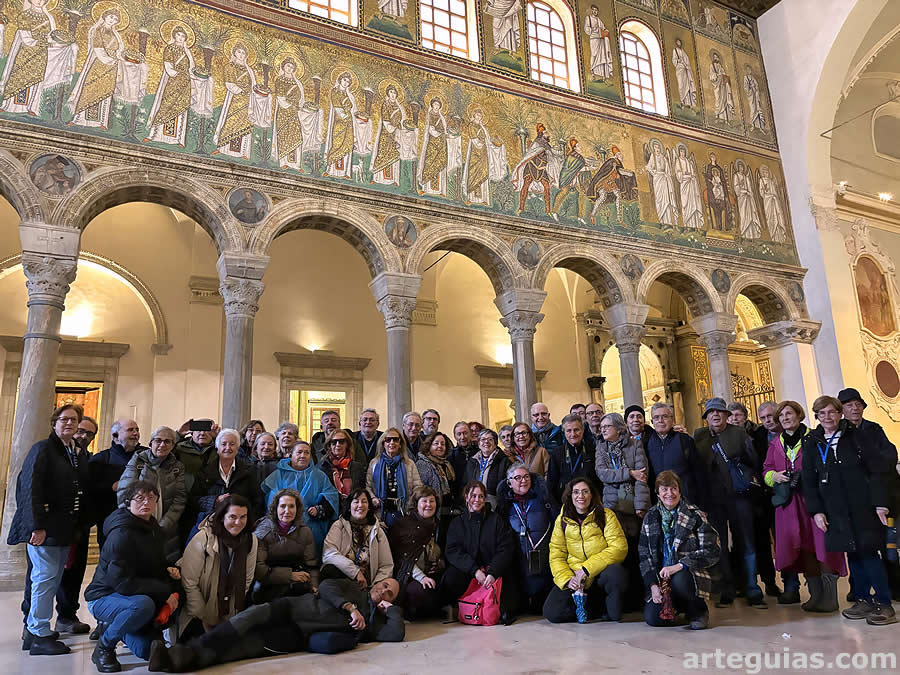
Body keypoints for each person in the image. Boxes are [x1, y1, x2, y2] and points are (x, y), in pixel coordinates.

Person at [148, 577, 403, 671]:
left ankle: (179, 660)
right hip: (290, 607)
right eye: (383, 585)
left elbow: (395, 634)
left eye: (390, 593)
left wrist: (393, 611)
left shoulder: (372, 624)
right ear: (375, 583)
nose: (383, 591)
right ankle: (180, 655)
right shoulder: (353, 589)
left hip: (294, 636)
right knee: (245, 620)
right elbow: (326, 586)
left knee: (239, 649)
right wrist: (350, 607)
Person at [802, 396, 896, 625]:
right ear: (816, 417)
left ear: (840, 413)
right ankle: (863, 599)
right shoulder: (812, 442)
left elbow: (876, 471)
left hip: (862, 505)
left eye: (832, 412)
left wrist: (880, 503)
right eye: (822, 413)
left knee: (869, 553)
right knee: (852, 553)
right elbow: (809, 480)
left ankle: (884, 603)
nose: (828, 417)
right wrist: (816, 511)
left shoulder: (856, 436)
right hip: (835, 509)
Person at [10, 404, 91, 655]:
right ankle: (38, 633)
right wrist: (37, 526)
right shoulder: (43, 449)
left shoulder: (72, 451)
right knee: (44, 580)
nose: (69, 423)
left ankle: (37, 629)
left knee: (52, 580)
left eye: (74, 420)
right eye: (64, 419)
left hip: (63, 529)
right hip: (45, 529)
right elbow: (30, 488)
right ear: (54, 423)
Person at [86, 481, 181, 672]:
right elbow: (122, 583)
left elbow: (150, 563)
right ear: (128, 502)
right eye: (140, 498)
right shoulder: (121, 534)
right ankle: (104, 647)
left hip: (132, 595)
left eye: (151, 498)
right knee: (143, 605)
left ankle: (116, 627)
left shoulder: (152, 527)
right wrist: (163, 593)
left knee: (148, 651)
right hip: (104, 596)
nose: (146, 502)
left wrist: (167, 568)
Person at [763, 401, 846, 610]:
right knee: (804, 548)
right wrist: (776, 476)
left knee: (823, 546)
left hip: (815, 500)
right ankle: (815, 596)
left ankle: (829, 598)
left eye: (788, 414)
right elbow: (766, 471)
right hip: (789, 504)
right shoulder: (775, 444)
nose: (785, 418)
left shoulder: (814, 437)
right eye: (781, 416)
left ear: (799, 415)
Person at [693, 397, 766, 608]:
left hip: (739, 497)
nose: (715, 415)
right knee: (719, 545)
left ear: (726, 415)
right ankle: (726, 589)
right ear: (706, 417)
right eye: (710, 413)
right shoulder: (699, 435)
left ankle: (752, 589)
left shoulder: (739, 433)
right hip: (714, 500)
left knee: (746, 543)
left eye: (719, 412)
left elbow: (753, 461)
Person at [838, 387, 900, 600]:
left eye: (858, 404)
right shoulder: (840, 434)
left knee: (888, 545)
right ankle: (859, 589)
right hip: (857, 499)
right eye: (849, 405)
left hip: (883, 495)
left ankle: (894, 587)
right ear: (841, 410)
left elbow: (890, 456)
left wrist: (871, 464)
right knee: (858, 546)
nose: (855, 408)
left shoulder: (874, 429)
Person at [639, 471, 720, 630]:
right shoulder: (651, 517)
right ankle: (677, 607)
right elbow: (644, 556)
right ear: (657, 493)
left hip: (689, 575)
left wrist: (680, 565)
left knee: (681, 580)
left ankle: (698, 611)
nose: (669, 493)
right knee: (653, 619)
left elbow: (712, 549)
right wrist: (653, 585)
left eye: (674, 488)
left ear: (680, 491)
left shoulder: (694, 515)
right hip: (662, 580)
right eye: (664, 489)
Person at [543, 478, 628, 624]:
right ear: (570, 496)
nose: (580, 496)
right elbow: (556, 554)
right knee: (552, 613)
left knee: (615, 573)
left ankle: (603, 608)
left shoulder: (607, 515)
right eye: (576, 492)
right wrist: (567, 579)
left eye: (585, 492)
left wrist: (587, 569)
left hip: (599, 575)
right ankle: (591, 610)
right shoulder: (562, 520)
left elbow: (619, 548)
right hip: (575, 578)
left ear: (592, 495)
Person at [177, 495, 258, 640]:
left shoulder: (251, 539)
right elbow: (189, 582)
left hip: (229, 611)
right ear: (221, 517)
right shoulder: (203, 538)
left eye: (243, 517)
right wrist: (204, 618)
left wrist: (229, 616)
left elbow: (246, 579)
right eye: (232, 517)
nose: (238, 522)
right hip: (196, 612)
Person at [594, 412, 651, 610]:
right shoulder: (601, 447)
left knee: (637, 551)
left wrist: (640, 506)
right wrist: (629, 473)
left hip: (634, 507)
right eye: (601, 427)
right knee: (619, 552)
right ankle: (623, 598)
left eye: (606, 426)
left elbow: (642, 478)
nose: (602, 430)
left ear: (619, 428)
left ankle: (640, 597)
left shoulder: (634, 445)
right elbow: (602, 473)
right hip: (613, 507)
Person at [441, 481, 517, 624]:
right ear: (466, 497)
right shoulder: (457, 523)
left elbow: (505, 548)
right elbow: (453, 551)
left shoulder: (496, 520)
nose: (477, 500)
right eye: (473, 496)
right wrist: (474, 570)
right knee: (451, 578)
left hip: (493, 571)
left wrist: (493, 572)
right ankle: (458, 607)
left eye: (481, 496)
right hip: (469, 572)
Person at [54, 415, 99, 636]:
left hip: (79, 527)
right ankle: (33, 626)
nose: (83, 436)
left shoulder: (86, 459)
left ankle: (67, 616)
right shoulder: (52, 453)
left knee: (74, 575)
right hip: (55, 527)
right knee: (46, 577)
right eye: (80, 430)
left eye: (89, 434)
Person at [116, 426, 187, 562]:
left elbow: (179, 500)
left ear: (173, 445)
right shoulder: (138, 461)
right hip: (137, 526)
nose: (162, 445)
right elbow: (124, 494)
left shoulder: (177, 467)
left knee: (162, 566)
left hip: (166, 529)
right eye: (158, 440)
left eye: (167, 441)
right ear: (150, 443)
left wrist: (164, 525)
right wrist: (137, 524)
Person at [496, 463, 557, 614]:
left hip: (544, 555)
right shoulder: (504, 506)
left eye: (526, 476)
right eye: (517, 477)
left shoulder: (544, 498)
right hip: (518, 558)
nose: (523, 480)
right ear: (509, 483)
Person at [262, 440, 340, 557]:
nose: (303, 456)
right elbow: (272, 503)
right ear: (291, 455)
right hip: (284, 527)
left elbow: (331, 497)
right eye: (299, 452)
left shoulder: (319, 476)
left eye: (306, 453)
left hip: (312, 526)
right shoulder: (279, 475)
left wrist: (319, 510)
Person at [189, 429, 263, 539]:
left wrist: (246, 521)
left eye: (232, 444)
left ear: (237, 449)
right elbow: (193, 500)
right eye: (224, 444)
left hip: (240, 527)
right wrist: (215, 501)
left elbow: (258, 501)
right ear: (217, 448)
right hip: (211, 527)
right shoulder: (205, 471)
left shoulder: (249, 471)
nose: (228, 448)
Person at [252, 488, 318, 603]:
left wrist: (314, 586)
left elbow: (311, 564)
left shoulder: (305, 532)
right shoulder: (262, 531)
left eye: (291, 506)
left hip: (296, 581)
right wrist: (290, 575)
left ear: (297, 509)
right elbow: (259, 569)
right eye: (282, 506)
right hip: (268, 582)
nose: (287, 511)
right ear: (275, 508)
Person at [389, 486, 444, 619]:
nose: (428, 505)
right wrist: (422, 577)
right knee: (421, 594)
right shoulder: (403, 525)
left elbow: (446, 551)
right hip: (410, 576)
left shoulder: (439, 525)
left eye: (432, 501)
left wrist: (441, 564)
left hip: (434, 573)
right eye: (424, 501)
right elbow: (402, 558)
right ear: (416, 504)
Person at [321, 489, 394, 589]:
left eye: (364, 502)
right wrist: (356, 572)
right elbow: (328, 554)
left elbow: (386, 565)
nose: (360, 505)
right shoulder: (339, 525)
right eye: (356, 501)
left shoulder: (377, 531)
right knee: (329, 570)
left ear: (369, 507)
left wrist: (374, 587)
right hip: (342, 581)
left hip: (367, 585)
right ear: (349, 506)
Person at [90, 418, 144, 548]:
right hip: (110, 519)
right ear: (115, 436)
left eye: (137, 430)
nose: (135, 433)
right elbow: (90, 488)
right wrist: (111, 487)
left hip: (141, 518)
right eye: (130, 430)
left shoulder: (146, 455)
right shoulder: (100, 460)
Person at [750, 400, 784, 598]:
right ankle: (770, 582)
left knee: (784, 540)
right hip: (763, 497)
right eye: (763, 418)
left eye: (770, 416)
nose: (767, 421)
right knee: (763, 542)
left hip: (787, 496)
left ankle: (791, 584)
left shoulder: (793, 432)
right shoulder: (757, 437)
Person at [645, 402, 705, 507]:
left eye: (665, 416)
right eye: (656, 417)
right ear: (652, 422)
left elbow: (698, 471)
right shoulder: (646, 442)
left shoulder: (684, 439)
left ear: (672, 419)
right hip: (659, 502)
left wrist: (702, 504)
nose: (660, 421)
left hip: (685, 500)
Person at [366, 427, 423, 529]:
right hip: (380, 513)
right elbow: (368, 487)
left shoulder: (409, 464)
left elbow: (418, 487)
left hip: (404, 512)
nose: (392, 442)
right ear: (383, 443)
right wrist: (373, 498)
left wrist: (410, 503)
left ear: (400, 443)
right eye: (388, 440)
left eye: (395, 439)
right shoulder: (374, 463)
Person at [415, 431, 459, 546]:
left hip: (449, 514)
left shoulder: (447, 464)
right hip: (433, 513)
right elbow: (422, 491)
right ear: (429, 445)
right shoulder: (423, 464)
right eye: (436, 443)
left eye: (443, 444)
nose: (440, 446)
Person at [547, 414, 598, 504]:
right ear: (564, 432)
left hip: (589, 502)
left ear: (582, 430)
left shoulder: (593, 450)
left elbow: (598, 481)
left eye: (576, 430)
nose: (573, 434)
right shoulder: (557, 453)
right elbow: (551, 484)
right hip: (565, 503)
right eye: (569, 431)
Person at [318, 428, 367, 511]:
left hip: (352, 512)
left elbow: (361, 492)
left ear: (347, 444)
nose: (338, 444)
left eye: (341, 441)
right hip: (331, 513)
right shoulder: (322, 468)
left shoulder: (357, 467)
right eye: (334, 442)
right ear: (329, 445)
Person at [463, 429, 510, 508]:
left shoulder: (504, 461)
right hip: (474, 503)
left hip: (495, 505)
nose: (486, 442)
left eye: (490, 439)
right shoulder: (472, 461)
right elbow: (465, 483)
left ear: (495, 444)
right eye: (483, 439)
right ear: (479, 444)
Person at [173, 419, 218, 485]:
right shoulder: (179, 447)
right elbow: (163, 456)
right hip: (185, 491)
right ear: (192, 432)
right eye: (199, 430)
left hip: (213, 491)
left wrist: (219, 438)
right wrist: (178, 435)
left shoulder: (221, 448)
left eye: (206, 430)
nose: (202, 433)